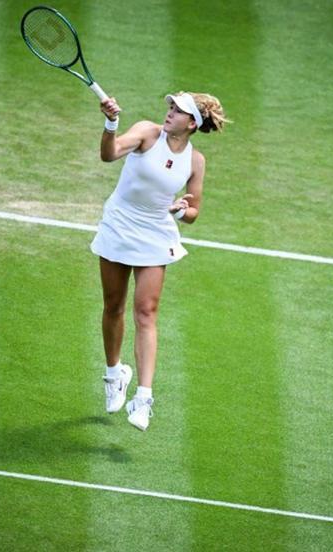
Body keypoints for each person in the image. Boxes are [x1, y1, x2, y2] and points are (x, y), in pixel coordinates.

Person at [92, 91, 229, 431]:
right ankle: (115, 374)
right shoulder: (147, 132)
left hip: (155, 232)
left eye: (178, 111)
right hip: (120, 223)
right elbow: (108, 155)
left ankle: (144, 397)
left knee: (146, 311)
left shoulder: (195, 161)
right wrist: (111, 124)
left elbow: (194, 210)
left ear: (192, 124)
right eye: (170, 107)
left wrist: (183, 211)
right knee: (113, 306)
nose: (169, 113)